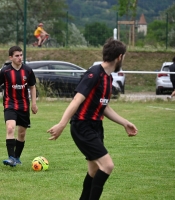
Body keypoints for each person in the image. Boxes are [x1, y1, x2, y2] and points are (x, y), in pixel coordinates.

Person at [47, 38, 138, 200]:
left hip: (96, 127)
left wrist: (124, 122)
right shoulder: (94, 73)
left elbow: (104, 107)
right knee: (108, 165)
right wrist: (62, 123)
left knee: (94, 171)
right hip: (83, 126)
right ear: (119, 57)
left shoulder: (108, 78)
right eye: (124, 57)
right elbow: (76, 100)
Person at [0, 46, 38, 167]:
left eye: (21, 55)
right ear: (11, 57)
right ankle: (11, 158)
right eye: (17, 56)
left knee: (21, 133)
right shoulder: (5, 71)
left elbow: (32, 86)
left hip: (24, 105)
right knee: (10, 128)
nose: (20, 58)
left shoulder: (28, 70)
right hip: (10, 104)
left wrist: (34, 103)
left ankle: (17, 157)